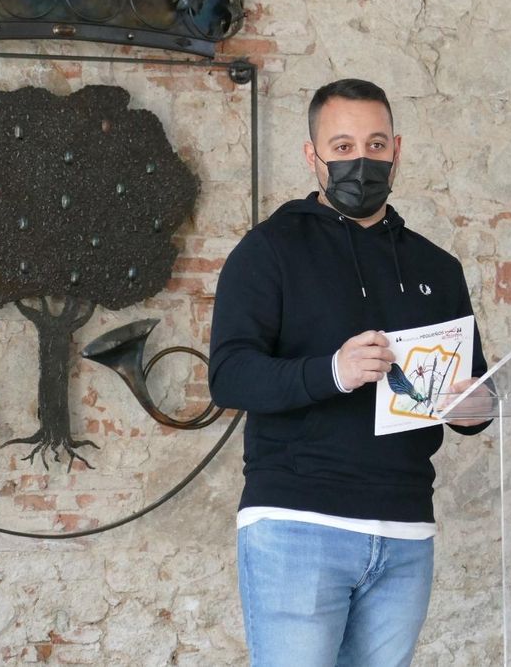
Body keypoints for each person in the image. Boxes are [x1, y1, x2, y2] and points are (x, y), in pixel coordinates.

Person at [208, 78, 491, 667]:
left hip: (407, 528)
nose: (361, 161)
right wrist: (332, 372)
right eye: (341, 147)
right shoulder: (268, 250)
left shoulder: (438, 266)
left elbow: (472, 391)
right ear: (312, 156)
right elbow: (230, 376)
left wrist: (476, 408)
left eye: (376, 144)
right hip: (297, 522)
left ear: (397, 151)